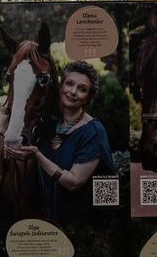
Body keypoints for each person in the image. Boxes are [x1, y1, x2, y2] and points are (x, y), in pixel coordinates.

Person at [6, 61, 115, 220]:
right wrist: (12, 99)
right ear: (60, 86)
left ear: (87, 98)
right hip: (50, 219)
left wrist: (38, 156)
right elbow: (0, 128)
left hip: (84, 226)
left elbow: (74, 183)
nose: (73, 92)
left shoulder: (94, 132)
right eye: (69, 84)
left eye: (82, 89)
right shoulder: (50, 122)